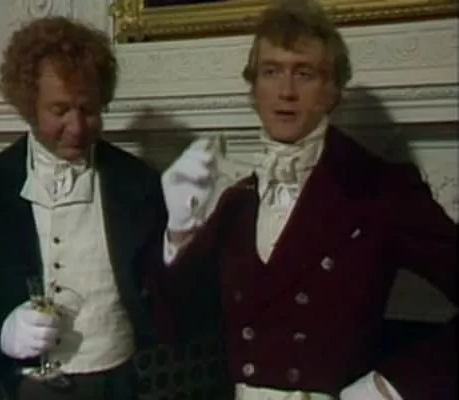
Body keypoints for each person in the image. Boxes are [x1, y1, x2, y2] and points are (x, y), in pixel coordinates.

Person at [155, 0, 457, 399]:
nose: (286, 91)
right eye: (271, 72)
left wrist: (389, 388)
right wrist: (178, 229)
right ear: (254, 89)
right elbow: (174, 323)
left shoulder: (378, 189)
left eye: (304, 74)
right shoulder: (237, 201)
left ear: (332, 91)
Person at [0, 16, 167, 400]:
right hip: (19, 390)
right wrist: (0, 334)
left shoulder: (138, 182)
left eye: (88, 110)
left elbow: (169, 298)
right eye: (60, 110)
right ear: (29, 105)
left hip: (117, 387)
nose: (77, 127)